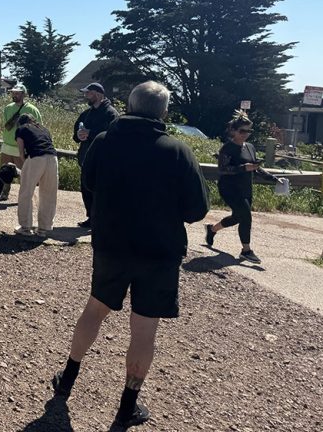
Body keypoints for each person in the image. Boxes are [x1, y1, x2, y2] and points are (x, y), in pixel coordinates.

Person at [51, 81, 209, 428]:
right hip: (159, 251)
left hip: (112, 244)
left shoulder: (104, 142)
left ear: (129, 105)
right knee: (144, 329)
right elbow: (197, 210)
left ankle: (67, 380)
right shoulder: (178, 151)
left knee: (95, 309)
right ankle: (127, 405)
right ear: (163, 112)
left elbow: (89, 183)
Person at [205, 111, 271, 264]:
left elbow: (254, 168)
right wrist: (243, 168)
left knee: (238, 217)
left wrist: (274, 179)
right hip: (229, 188)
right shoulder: (227, 149)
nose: (245, 134)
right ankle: (246, 251)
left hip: (245, 188)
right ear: (233, 131)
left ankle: (212, 229)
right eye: (242, 131)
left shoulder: (250, 147)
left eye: (249, 131)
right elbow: (222, 169)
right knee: (246, 216)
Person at [73, 82, 119, 228]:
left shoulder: (111, 113)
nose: (85, 95)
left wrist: (91, 133)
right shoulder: (86, 113)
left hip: (103, 160)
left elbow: (112, 136)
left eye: (88, 93)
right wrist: (78, 135)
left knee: (100, 192)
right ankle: (91, 218)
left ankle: (102, 219)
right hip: (86, 159)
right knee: (86, 189)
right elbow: (76, 130)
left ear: (98, 94)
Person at [14, 114, 58, 237]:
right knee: (48, 193)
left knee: (26, 192)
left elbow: (21, 153)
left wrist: (26, 166)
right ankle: (44, 228)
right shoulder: (44, 129)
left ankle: (26, 227)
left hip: (35, 157)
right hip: (52, 158)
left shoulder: (21, 129)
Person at [0, 83, 42, 200]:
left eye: (17, 93)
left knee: (23, 174)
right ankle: (4, 193)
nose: (14, 95)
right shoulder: (8, 107)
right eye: (13, 93)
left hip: (21, 146)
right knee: (4, 171)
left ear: (24, 94)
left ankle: (25, 195)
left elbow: (38, 127)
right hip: (7, 145)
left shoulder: (32, 109)